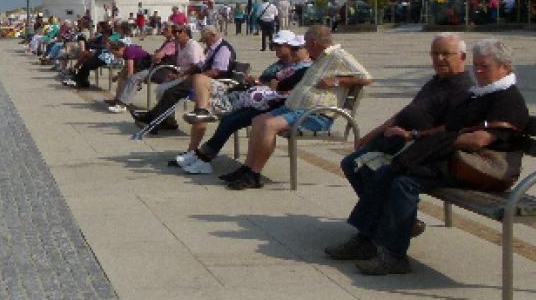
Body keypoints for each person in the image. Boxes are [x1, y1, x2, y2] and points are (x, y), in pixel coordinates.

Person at [326, 38, 529, 275]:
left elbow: (478, 141)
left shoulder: (508, 99)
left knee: (402, 180)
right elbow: (449, 127)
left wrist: (434, 144)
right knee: (389, 172)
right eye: (477, 65)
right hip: (461, 161)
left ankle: (392, 255)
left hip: (483, 169)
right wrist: (417, 136)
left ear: (505, 67)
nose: (479, 71)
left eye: (485, 66)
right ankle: (367, 239)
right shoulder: (481, 94)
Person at [340, 32, 474, 236]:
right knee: (351, 163)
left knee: (373, 169)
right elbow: (407, 112)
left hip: (422, 150)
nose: (439, 59)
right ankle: (395, 219)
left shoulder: (463, 89)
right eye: (435, 54)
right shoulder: (436, 82)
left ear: (462, 57)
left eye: (446, 54)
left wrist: (413, 134)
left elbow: (450, 129)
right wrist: (374, 132)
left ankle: (376, 229)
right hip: (399, 141)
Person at [223, 26, 372, 189]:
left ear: (314, 43)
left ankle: (254, 174)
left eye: (305, 43)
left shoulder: (339, 56)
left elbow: (366, 78)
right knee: (258, 121)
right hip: (296, 109)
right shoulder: (320, 57)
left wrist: (337, 81)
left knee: (269, 125)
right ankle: (247, 168)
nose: (303, 47)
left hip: (315, 115)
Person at [175, 31, 313, 175]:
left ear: (306, 50)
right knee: (229, 119)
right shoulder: (292, 65)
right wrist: (266, 83)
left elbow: (283, 87)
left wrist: (269, 84)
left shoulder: (303, 68)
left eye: (295, 48)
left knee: (231, 120)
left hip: (274, 104)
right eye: (274, 46)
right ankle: (202, 151)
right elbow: (276, 84)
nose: (292, 51)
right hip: (265, 100)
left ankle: (205, 148)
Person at [129, 25, 233, 132]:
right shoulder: (212, 48)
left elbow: (216, 72)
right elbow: (199, 66)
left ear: (213, 35)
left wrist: (194, 78)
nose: (205, 43)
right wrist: (183, 75)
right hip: (203, 81)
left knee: (172, 91)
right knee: (171, 91)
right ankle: (157, 119)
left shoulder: (223, 49)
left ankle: (154, 119)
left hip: (217, 85)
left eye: (206, 39)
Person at [104, 35, 152, 112]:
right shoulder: (126, 51)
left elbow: (130, 71)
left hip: (149, 69)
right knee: (122, 77)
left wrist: (129, 80)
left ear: (120, 49)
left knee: (131, 79)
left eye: (115, 53)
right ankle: (117, 100)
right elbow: (126, 67)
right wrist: (118, 76)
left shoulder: (129, 51)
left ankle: (122, 105)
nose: (116, 56)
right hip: (141, 68)